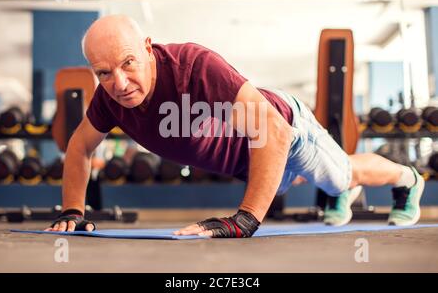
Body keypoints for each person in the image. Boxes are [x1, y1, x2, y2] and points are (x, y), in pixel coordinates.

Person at [46, 15, 424, 237]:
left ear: (148, 47)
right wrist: (73, 212)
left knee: (341, 176)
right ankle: (339, 186)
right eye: (104, 73)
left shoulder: (193, 67)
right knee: (315, 179)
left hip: (285, 131)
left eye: (129, 63)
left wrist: (243, 221)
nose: (120, 83)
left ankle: (408, 180)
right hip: (255, 160)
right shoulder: (110, 98)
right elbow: (80, 147)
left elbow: (271, 132)